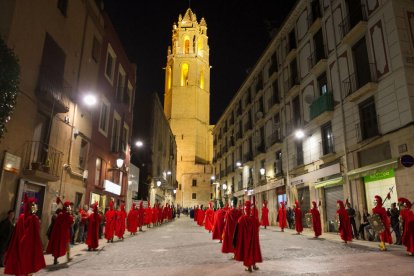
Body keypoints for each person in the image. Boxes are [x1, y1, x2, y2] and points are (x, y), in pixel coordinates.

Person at [4, 195, 46, 275]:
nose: (36, 206)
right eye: (34, 205)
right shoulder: (34, 218)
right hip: (28, 247)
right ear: (32, 207)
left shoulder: (21, 217)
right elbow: (36, 233)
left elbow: (16, 233)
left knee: (20, 266)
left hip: (19, 246)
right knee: (28, 266)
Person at [233, 200, 262, 272]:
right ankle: (254, 265)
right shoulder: (254, 219)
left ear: (245, 209)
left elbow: (237, 228)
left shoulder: (242, 219)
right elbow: (258, 225)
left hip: (245, 239)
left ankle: (249, 267)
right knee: (253, 250)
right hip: (253, 239)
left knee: (247, 251)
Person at [47, 199, 74, 265]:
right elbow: (72, 222)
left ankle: (57, 259)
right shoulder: (66, 216)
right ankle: (67, 257)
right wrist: (69, 215)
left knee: (59, 246)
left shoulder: (61, 215)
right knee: (65, 245)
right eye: (69, 207)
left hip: (59, 234)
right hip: (63, 234)